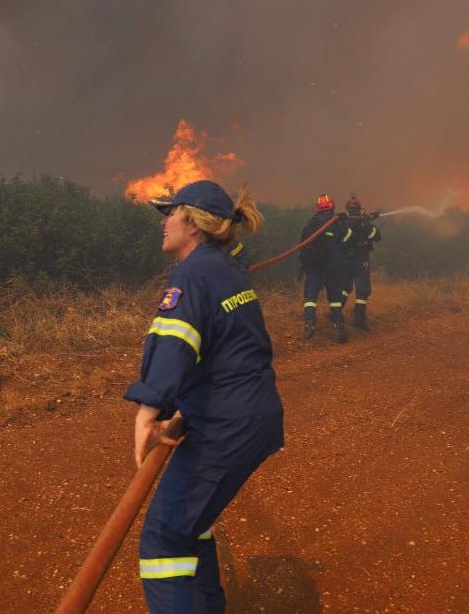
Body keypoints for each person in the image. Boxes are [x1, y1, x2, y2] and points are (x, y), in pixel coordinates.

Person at [124, 179, 284, 613]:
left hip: (226, 424)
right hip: (249, 416)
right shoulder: (225, 267)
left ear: (193, 223)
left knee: (164, 538)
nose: (165, 222)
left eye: (171, 212)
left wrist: (148, 411)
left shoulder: (194, 274)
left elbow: (175, 339)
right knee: (191, 525)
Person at [298, 194, 353, 342]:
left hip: (314, 267)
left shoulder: (311, 223)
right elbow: (348, 237)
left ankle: (309, 326)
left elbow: (304, 243)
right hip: (332, 267)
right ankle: (339, 328)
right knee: (335, 298)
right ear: (332, 206)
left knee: (310, 297)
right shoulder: (337, 223)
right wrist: (343, 220)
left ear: (318, 208)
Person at [344, 194, 382, 331]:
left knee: (360, 289)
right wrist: (365, 224)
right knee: (350, 288)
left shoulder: (362, 222)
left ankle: (357, 318)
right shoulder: (344, 222)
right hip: (354, 259)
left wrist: (366, 224)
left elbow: (376, 236)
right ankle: (348, 317)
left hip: (354, 259)